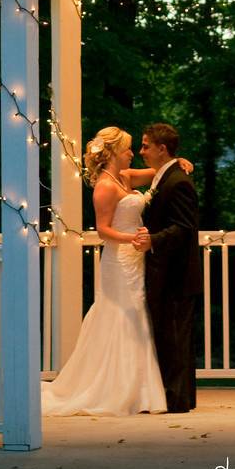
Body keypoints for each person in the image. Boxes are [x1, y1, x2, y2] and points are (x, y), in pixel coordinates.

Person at [41, 126, 193, 416]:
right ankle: (115, 388)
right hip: (119, 258)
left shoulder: (125, 176)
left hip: (137, 257)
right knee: (123, 314)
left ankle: (139, 388)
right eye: (127, 149)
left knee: (139, 314)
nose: (132, 153)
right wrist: (133, 238)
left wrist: (181, 161)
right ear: (112, 152)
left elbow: (158, 173)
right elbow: (102, 230)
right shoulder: (105, 186)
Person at [133, 123, 202, 413]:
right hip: (166, 273)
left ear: (162, 149)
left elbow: (184, 228)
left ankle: (177, 399)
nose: (142, 151)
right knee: (170, 335)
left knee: (175, 336)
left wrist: (153, 240)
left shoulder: (179, 182)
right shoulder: (166, 177)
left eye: (146, 145)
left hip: (177, 274)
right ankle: (176, 397)